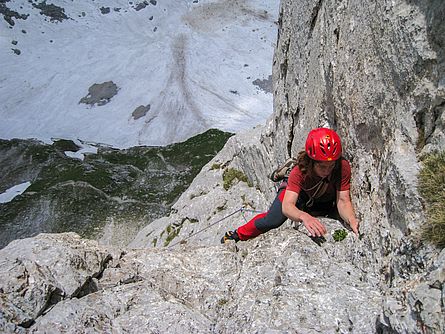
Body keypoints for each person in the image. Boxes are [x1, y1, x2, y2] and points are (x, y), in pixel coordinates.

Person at [221, 128, 359, 243]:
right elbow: (287, 206)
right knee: (273, 219)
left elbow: (343, 200)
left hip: (322, 197)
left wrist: (351, 220)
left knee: (331, 214)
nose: (327, 170)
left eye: (331, 165)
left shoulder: (342, 167)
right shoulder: (299, 172)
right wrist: (304, 216)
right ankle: (236, 235)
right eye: (322, 166)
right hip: (297, 194)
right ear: (311, 162)